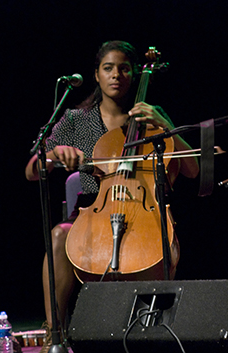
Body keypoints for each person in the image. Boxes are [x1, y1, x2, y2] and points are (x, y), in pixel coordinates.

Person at [25, 40, 199, 352]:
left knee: (161, 240)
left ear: (134, 74)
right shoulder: (77, 119)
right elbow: (32, 170)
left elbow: (192, 169)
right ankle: (56, 333)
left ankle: (155, 331)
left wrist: (165, 124)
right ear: (96, 74)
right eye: (108, 68)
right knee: (58, 237)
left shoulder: (150, 117)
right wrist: (53, 155)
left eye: (123, 68)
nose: (116, 74)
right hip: (93, 213)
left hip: (143, 213)